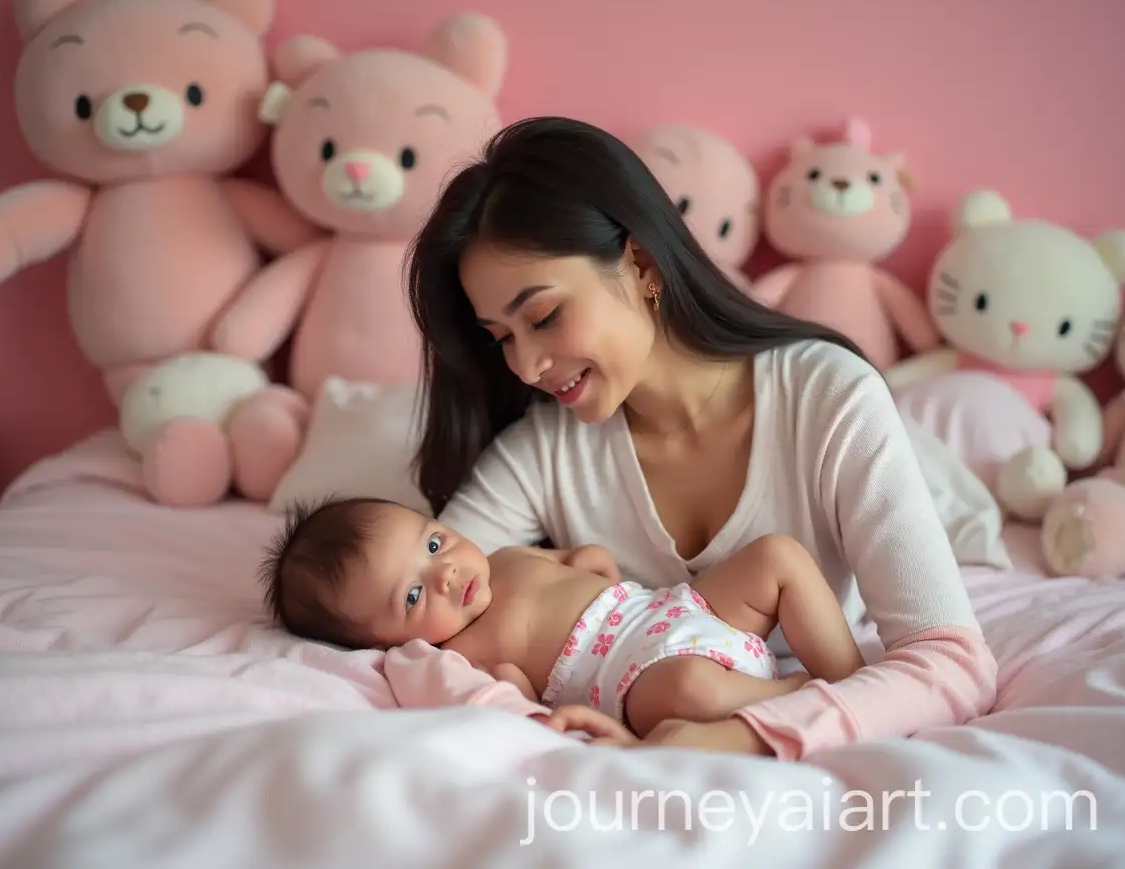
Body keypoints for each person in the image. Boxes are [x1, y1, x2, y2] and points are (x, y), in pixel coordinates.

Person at [400, 115, 998, 757]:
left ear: (641, 263)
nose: (525, 367)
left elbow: (951, 662)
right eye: (501, 339)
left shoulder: (827, 397)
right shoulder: (543, 454)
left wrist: (731, 738)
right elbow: (414, 622)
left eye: (543, 316)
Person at [260, 494, 865, 743]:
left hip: (682, 610)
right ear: (384, 641)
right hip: (643, 679)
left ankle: (854, 678)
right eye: (413, 597)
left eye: (435, 544)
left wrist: (593, 565)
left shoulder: (507, 556)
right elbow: (519, 710)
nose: (444, 574)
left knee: (777, 556)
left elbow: (583, 559)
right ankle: (795, 692)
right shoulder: (462, 655)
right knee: (689, 689)